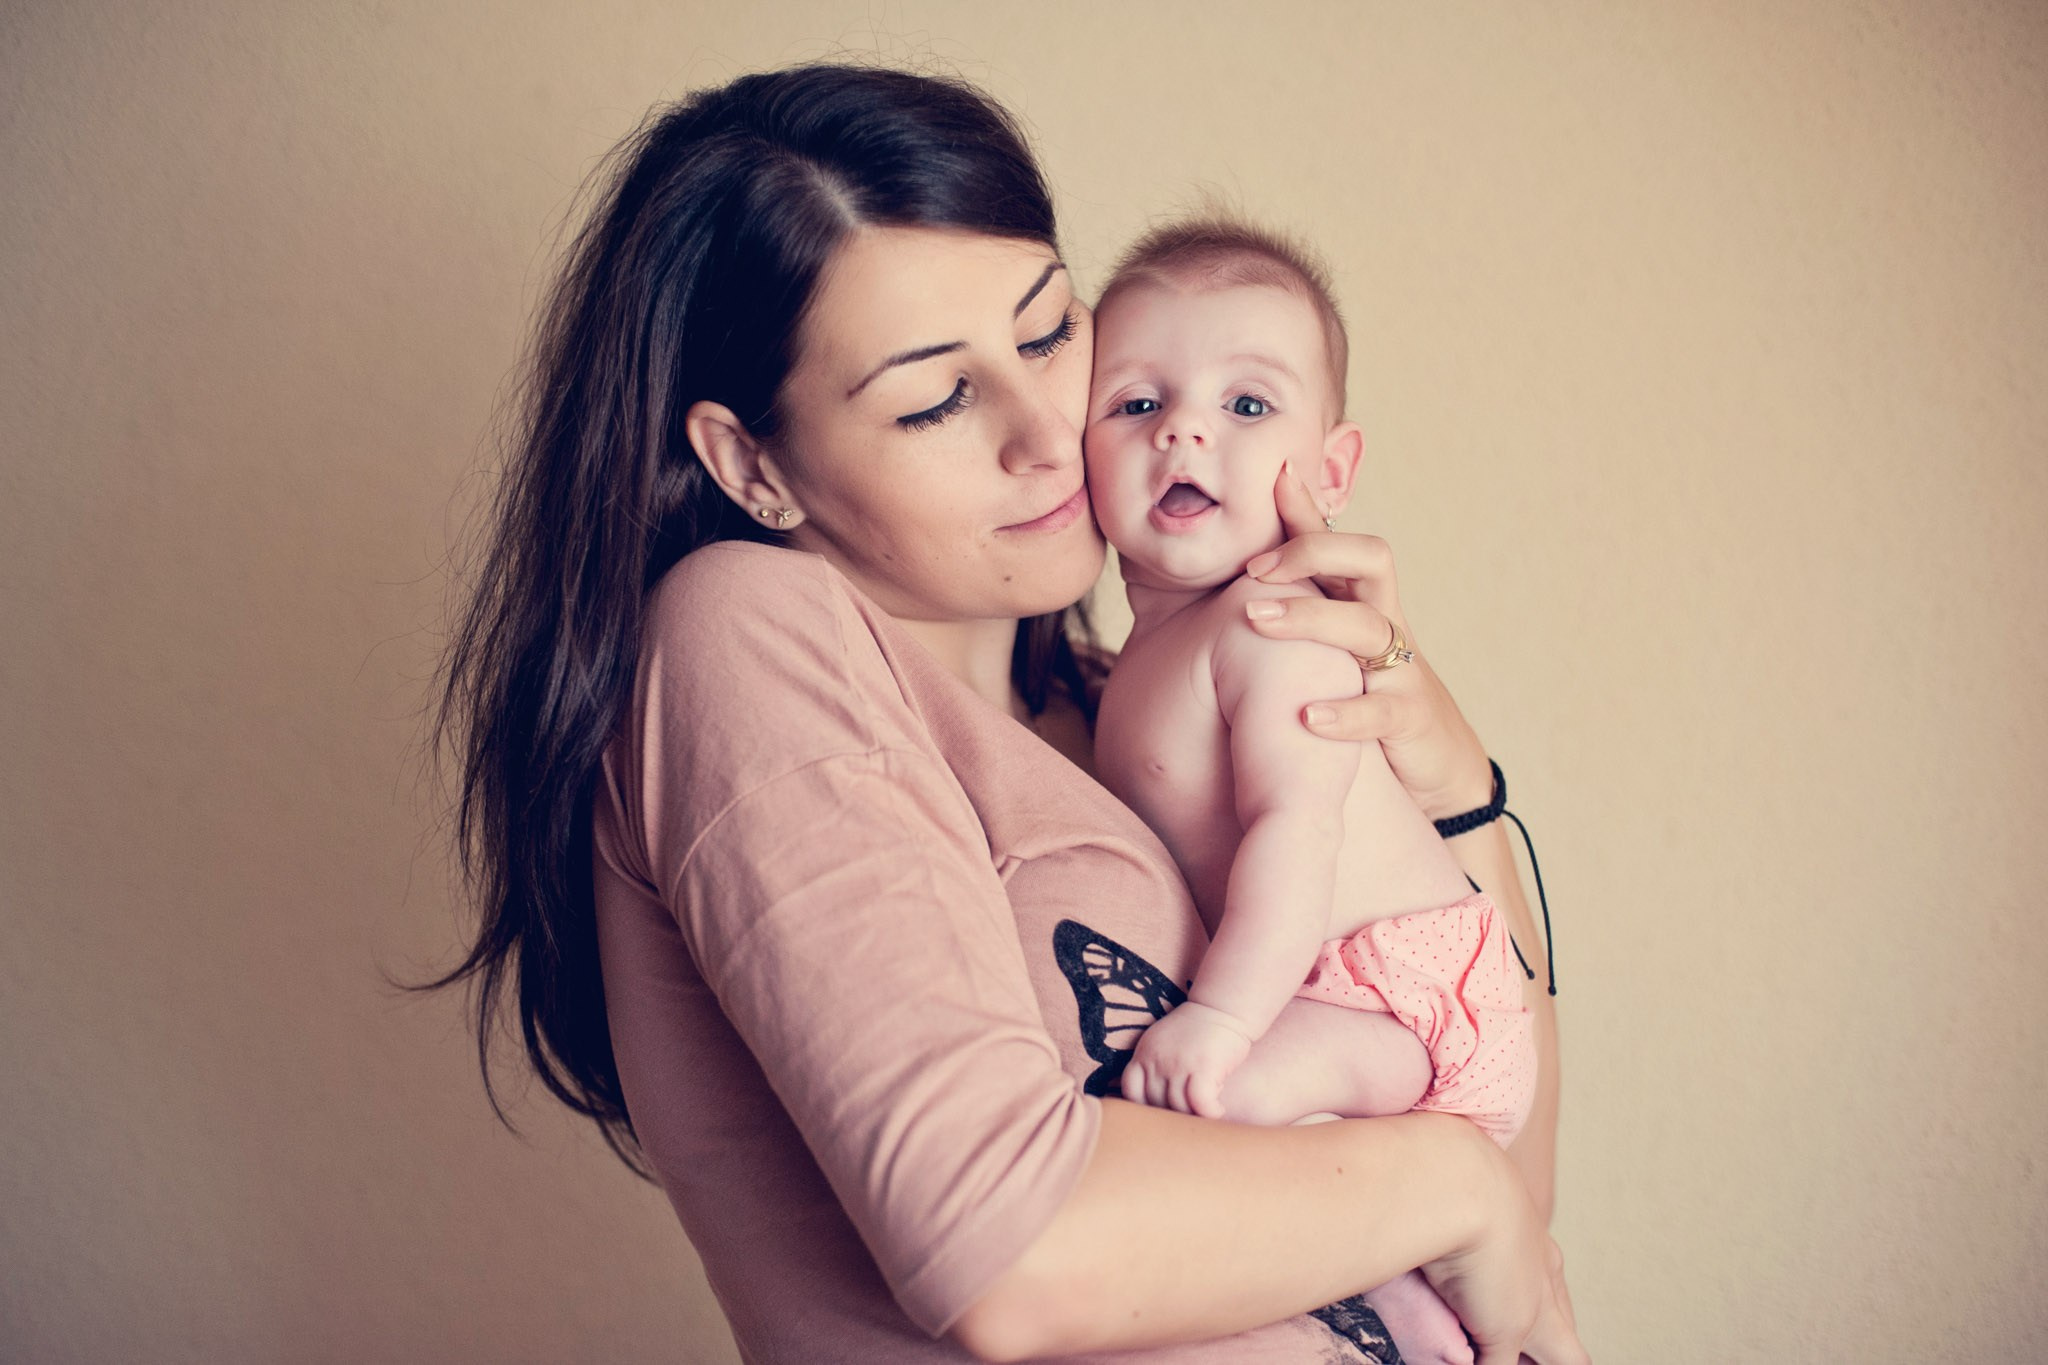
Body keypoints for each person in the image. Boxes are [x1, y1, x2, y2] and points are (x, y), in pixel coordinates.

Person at [430, 62, 1582, 1365]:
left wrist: (1450, 783)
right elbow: (1008, 1256)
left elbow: (1518, 1223)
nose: (1050, 429)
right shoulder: (749, 629)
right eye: (935, 397)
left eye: (1047, 333)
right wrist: (1456, 1192)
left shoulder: (1123, 709)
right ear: (752, 464)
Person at [1083, 216, 1540, 1365]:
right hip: (1349, 1005)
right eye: (1135, 403)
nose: (1183, 426)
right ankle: (1407, 1293)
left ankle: (1419, 1301)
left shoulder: (1273, 627)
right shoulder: (1128, 662)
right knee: (1251, 1144)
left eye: (1246, 406)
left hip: (1410, 1001)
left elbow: (1296, 832)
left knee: (1208, 1111)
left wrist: (1223, 1019)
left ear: (1327, 474)